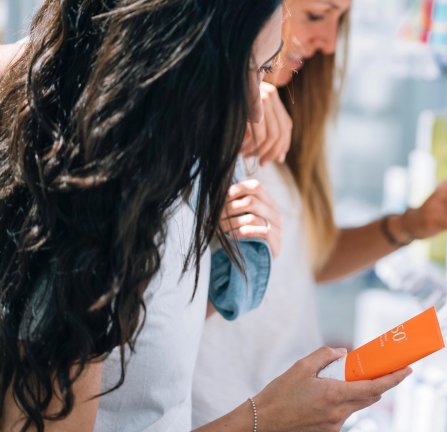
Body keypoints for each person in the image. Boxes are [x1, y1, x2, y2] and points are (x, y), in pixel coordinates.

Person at [0, 1, 408, 431]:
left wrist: (225, 275)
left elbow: (140, 341)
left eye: (267, 72)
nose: (258, 108)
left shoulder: (169, 175)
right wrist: (265, 418)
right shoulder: (90, 210)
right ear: (182, 52)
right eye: (249, 71)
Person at [192, 0, 447, 426]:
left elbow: (304, 260)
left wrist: (409, 225)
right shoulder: (202, 126)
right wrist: (236, 93)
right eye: (317, 15)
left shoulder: (281, 122)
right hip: (224, 412)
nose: (329, 43)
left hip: (293, 410)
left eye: (340, 21)